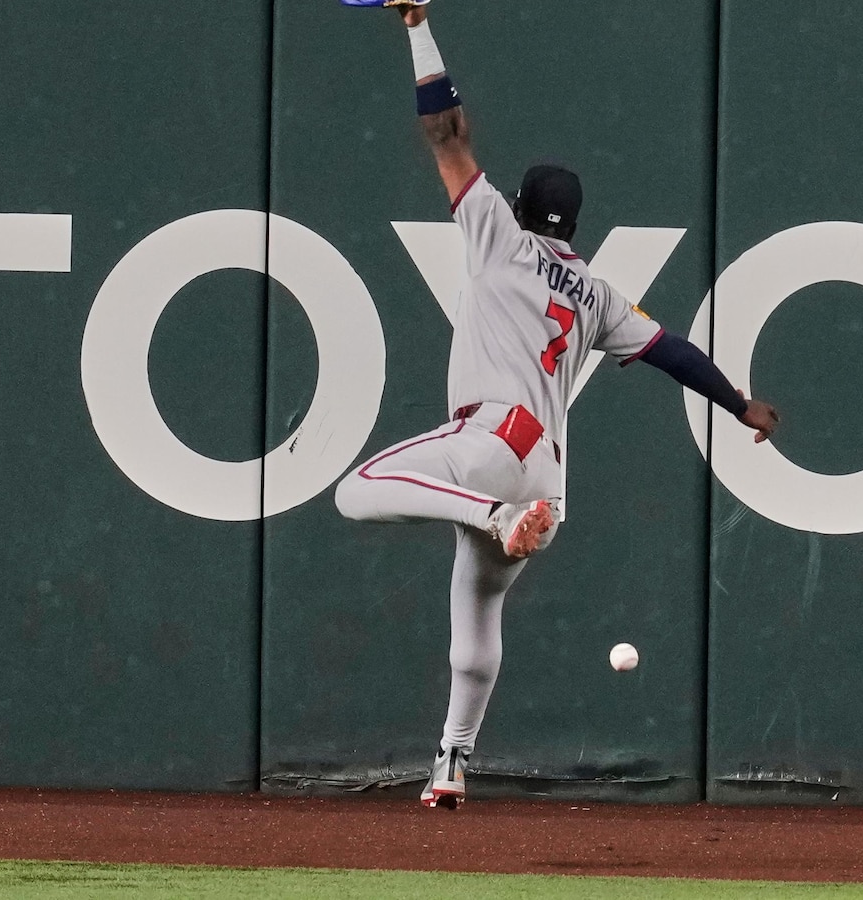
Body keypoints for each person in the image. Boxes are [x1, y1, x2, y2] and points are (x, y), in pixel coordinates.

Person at [334, 0, 781, 809]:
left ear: (520, 207)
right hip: (546, 477)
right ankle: (450, 764)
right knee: (475, 616)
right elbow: (673, 352)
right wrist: (739, 401)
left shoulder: (497, 234)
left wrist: (416, 28)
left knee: (355, 490)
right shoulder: (599, 293)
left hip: (492, 438)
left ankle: (485, 514)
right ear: (573, 223)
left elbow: (447, 134)